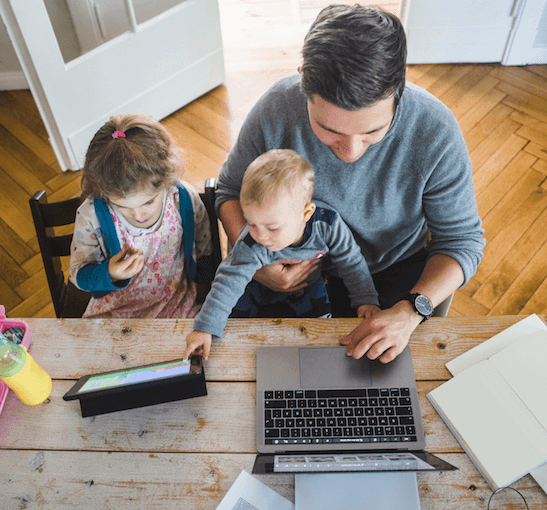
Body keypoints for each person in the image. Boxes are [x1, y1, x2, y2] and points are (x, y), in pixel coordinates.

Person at [214, 4, 485, 362]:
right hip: (290, 266)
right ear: (302, 83)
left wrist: (412, 309)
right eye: (329, 130)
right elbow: (229, 191)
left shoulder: (435, 131)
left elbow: (462, 241)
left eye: (373, 131)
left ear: (398, 91)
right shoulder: (277, 108)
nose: (351, 150)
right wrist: (256, 261)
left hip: (392, 276)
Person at [184, 149, 380, 359]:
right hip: (252, 288)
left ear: (306, 213)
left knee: (324, 335)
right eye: (252, 223)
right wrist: (205, 328)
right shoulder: (251, 240)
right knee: (232, 332)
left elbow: (350, 260)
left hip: (308, 286)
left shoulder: (328, 224)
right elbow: (228, 281)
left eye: (272, 227)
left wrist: (365, 299)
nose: (260, 236)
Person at [68, 113, 214, 318]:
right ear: (101, 191)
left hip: (176, 303)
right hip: (114, 311)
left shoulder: (183, 199)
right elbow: (78, 273)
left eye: (149, 201)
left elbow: (204, 246)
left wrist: (207, 288)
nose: (138, 214)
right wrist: (109, 272)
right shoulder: (92, 214)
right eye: (122, 206)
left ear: (167, 179)